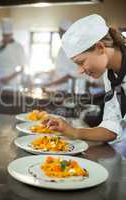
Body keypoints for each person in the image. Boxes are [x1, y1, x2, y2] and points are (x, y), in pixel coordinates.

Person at [42, 14, 126, 142]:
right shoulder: (109, 75)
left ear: (100, 48)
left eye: (81, 62)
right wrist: (71, 130)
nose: (80, 71)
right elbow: (112, 128)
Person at [43, 20, 86, 93]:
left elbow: (72, 75)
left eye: (61, 32)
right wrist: (49, 74)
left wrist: (52, 84)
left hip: (68, 90)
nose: (59, 35)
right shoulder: (62, 48)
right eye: (59, 32)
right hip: (58, 88)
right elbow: (60, 68)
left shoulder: (75, 48)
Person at [0, 18, 27, 90]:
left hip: (12, 80)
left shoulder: (18, 47)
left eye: (7, 35)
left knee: (9, 99)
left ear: (12, 34)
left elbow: (22, 68)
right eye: (4, 35)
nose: (5, 38)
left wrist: (8, 79)